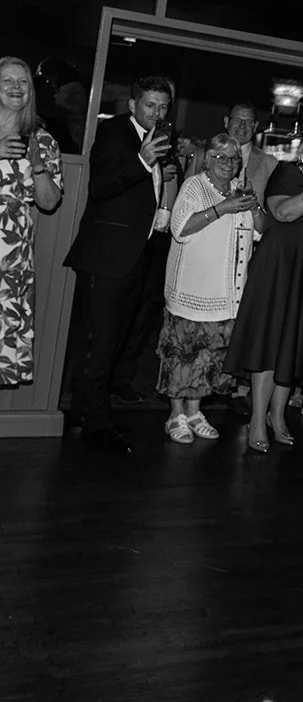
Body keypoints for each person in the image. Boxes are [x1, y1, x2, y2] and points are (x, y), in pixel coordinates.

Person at [64, 74, 174, 454]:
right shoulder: (115, 133)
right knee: (99, 343)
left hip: (131, 256)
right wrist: (144, 161)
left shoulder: (154, 139)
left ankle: (84, 411)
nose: (157, 113)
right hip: (106, 256)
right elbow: (101, 187)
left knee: (109, 342)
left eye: (163, 107)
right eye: (150, 105)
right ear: (132, 105)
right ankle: (96, 424)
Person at [224, 120, 303, 452]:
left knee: (290, 346)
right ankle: (256, 421)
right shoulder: (287, 175)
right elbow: (282, 213)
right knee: (269, 343)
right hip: (281, 270)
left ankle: (277, 418)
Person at [158, 133, 264, 442]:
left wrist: (254, 207)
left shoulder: (239, 190)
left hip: (224, 294)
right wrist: (223, 208)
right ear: (208, 160)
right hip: (192, 289)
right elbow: (179, 229)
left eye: (233, 159)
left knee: (208, 357)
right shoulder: (195, 186)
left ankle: (195, 411)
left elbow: (262, 232)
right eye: (221, 158)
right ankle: (175, 414)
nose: (228, 164)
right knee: (182, 354)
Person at [0, 57, 63, 387]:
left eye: (22, 81)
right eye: (7, 80)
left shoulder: (43, 140)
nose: (15, 87)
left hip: (11, 262)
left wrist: (38, 166)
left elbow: (49, 202)